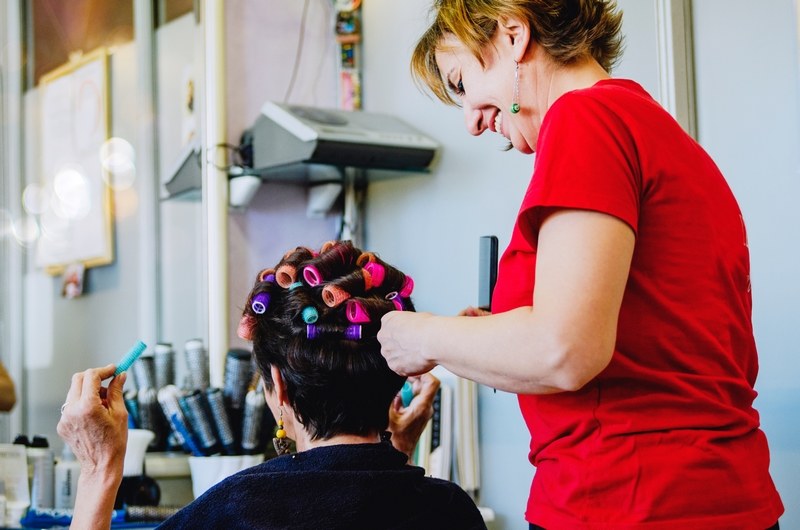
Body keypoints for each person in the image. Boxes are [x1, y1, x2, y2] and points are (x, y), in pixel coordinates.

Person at [377, 1, 784, 528]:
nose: (471, 121)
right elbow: (638, 342)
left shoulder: (584, 117)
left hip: (628, 502)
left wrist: (422, 336)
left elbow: (565, 349)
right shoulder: (656, 132)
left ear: (513, 36)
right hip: (721, 495)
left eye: (461, 83)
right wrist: (489, 338)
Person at [57, 240, 486, 530]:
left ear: (278, 385)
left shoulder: (234, 511)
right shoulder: (449, 511)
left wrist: (99, 470)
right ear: (395, 377)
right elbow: (364, 498)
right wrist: (394, 454)